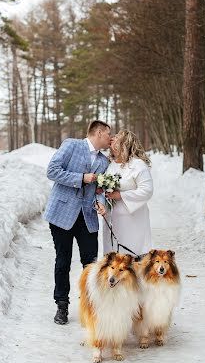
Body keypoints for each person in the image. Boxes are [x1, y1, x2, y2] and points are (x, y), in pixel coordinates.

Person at [45, 120, 110, 325]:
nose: (110, 138)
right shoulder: (72, 145)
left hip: (88, 218)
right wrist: (81, 177)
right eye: (108, 134)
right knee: (63, 261)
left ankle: (89, 306)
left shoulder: (104, 162)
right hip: (62, 214)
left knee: (90, 264)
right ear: (98, 133)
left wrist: (101, 204)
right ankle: (62, 305)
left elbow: (100, 191)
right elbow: (52, 171)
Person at [96, 129, 153, 257]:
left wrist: (120, 195)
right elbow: (104, 189)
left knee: (131, 257)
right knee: (113, 258)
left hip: (133, 221)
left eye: (117, 137)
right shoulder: (110, 165)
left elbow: (147, 190)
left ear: (125, 143)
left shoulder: (138, 165)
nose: (112, 138)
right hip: (112, 220)